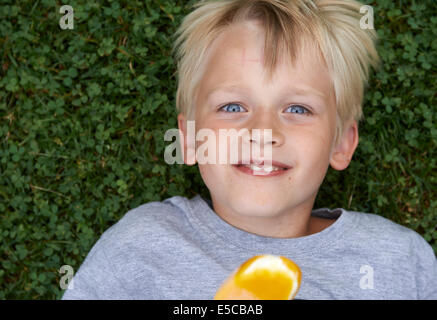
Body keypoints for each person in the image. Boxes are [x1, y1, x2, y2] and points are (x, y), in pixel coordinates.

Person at [62, 0, 437, 299]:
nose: (262, 131)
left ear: (341, 144)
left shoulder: (397, 259)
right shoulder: (141, 246)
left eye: (297, 109)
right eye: (232, 107)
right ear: (190, 138)